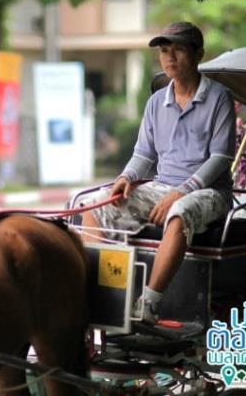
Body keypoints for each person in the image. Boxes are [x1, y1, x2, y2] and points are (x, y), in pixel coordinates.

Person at [81, 21, 236, 324]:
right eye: (165, 51)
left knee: (179, 210)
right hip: (163, 187)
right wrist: (125, 179)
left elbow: (221, 157)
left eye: (178, 50)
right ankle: (99, 297)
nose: (170, 57)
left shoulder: (219, 98)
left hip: (211, 193)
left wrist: (182, 191)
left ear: (198, 54)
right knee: (94, 207)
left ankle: (147, 305)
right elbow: (143, 154)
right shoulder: (155, 102)